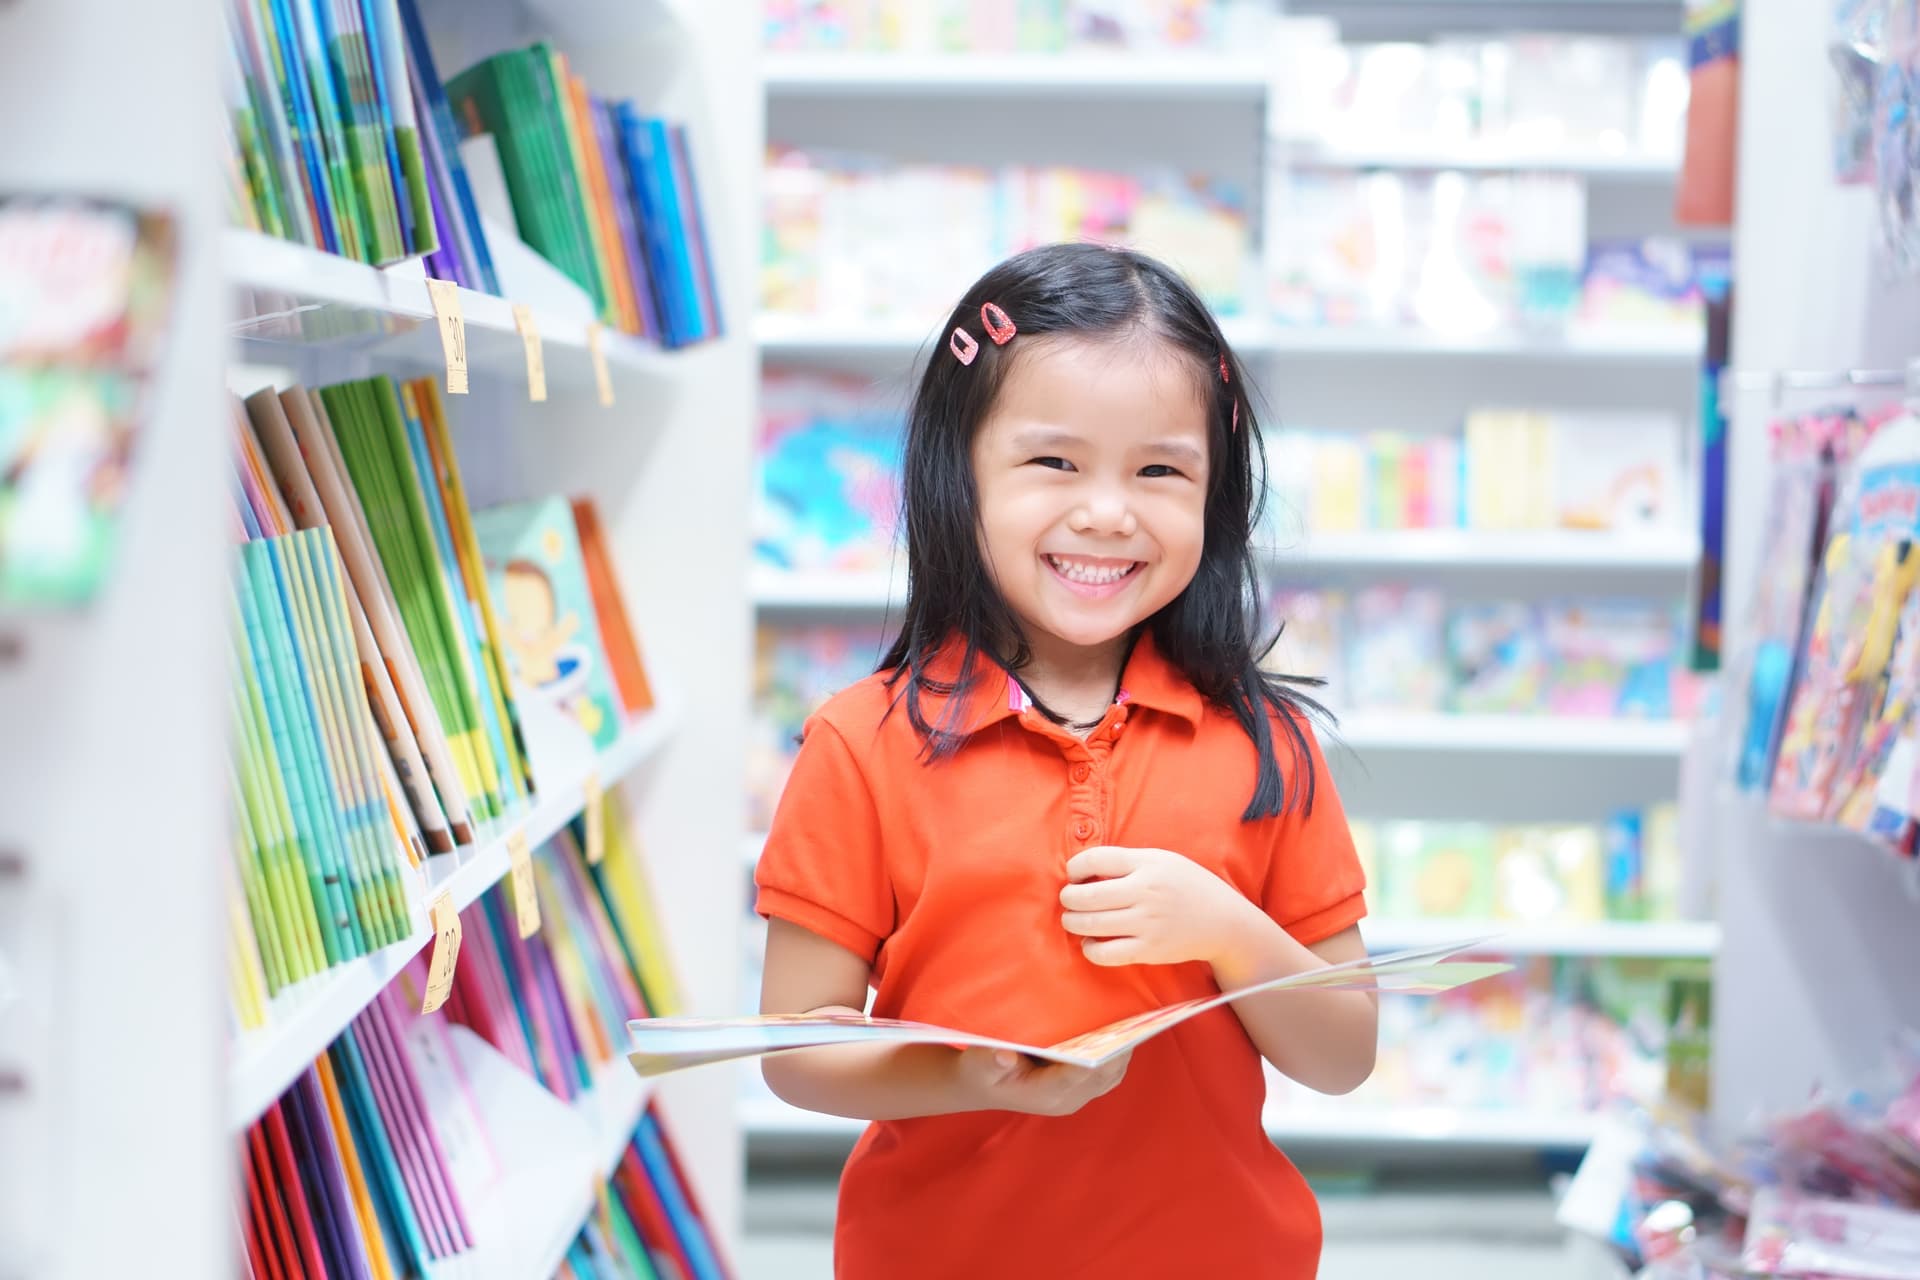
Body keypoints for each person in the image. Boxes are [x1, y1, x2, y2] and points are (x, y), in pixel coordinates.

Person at [754, 242, 1376, 1278]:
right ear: (959, 471)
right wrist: (968, 1075)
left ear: (1217, 494)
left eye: (1160, 470)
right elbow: (792, 1047)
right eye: (1055, 462)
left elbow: (1343, 1055)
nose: (1108, 512)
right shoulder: (860, 743)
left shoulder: (1267, 744)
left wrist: (1227, 928)